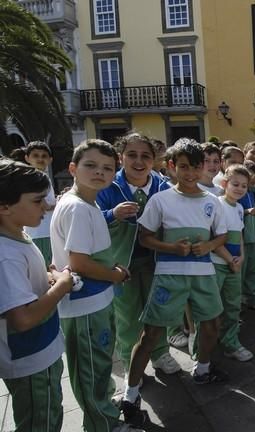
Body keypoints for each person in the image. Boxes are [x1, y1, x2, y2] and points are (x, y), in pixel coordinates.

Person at [120, 140, 227, 427]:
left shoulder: (211, 201)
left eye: (195, 167)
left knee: (212, 325)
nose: (189, 173)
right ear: (171, 167)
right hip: (169, 277)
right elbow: (144, 237)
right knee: (151, 334)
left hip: (203, 276)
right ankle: (129, 394)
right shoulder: (160, 200)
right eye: (183, 167)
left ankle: (202, 369)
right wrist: (170, 248)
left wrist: (208, 246)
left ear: (203, 167)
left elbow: (222, 237)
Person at [50, 140, 136, 432]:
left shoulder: (90, 202)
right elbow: (80, 263)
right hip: (84, 304)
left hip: (96, 301)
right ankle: (102, 425)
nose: (99, 172)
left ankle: (105, 413)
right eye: (90, 165)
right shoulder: (77, 207)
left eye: (107, 168)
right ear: (73, 168)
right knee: (90, 368)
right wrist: (115, 274)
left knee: (100, 364)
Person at [96, 132, 180, 394]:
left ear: (154, 160)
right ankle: (131, 361)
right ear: (121, 157)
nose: (139, 161)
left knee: (158, 309)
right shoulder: (108, 187)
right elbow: (93, 218)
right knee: (128, 314)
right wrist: (113, 213)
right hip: (123, 265)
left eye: (145, 156)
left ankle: (160, 353)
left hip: (158, 261)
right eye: (132, 155)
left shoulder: (163, 186)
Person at [0, 159, 74, 432]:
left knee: (50, 412)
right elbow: (23, 318)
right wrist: (62, 285)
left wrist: (50, 277)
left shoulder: (17, 235)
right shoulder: (6, 255)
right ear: (4, 206)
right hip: (30, 358)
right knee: (39, 422)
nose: (46, 206)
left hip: (41, 352)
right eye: (36, 200)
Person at [213, 164, 253, 361]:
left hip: (235, 265)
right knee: (211, 308)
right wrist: (230, 260)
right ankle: (202, 349)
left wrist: (241, 258)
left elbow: (240, 237)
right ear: (224, 183)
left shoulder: (239, 208)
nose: (239, 189)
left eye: (244, 186)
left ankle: (230, 343)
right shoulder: (216, 204)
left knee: (232, 306)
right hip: (218, 264)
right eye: (235, 184)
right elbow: (214, 239)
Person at [23, 141, 56, 266]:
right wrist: (60, 203)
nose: (40, 159)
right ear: (27, 158)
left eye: (44, 156)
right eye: (36, 155)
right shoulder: (36, 177)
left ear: (50, 159)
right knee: (47, 266)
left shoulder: (40, 176)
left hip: (41, 230)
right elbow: (43, 203)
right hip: (41, 231)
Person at [240, 160, 255, 311]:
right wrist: (247, 211)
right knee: (242, 271)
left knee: (254, 268)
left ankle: (253, 297)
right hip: (242, 237)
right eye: (250, 176)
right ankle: (240, 302)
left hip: (253, 235)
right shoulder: (239, 192)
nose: (253, 179)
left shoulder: (251, 191)